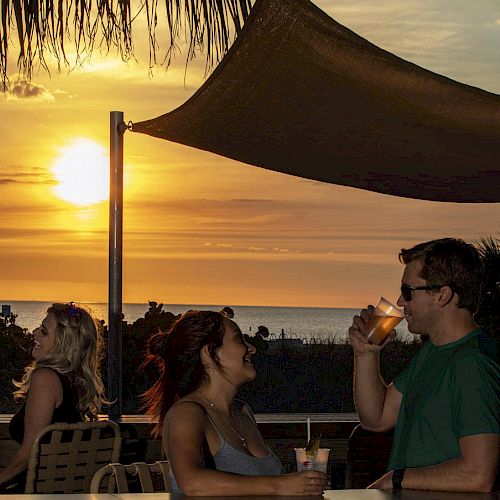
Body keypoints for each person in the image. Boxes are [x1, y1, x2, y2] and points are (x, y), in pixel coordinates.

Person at [348, 238, 499, 493]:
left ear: (442, 295)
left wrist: (396, 479)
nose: (400, 300)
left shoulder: (472, 364)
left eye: (408, 291)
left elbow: (478, 475)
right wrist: (366, 355)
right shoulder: (432, 353)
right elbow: (377, 418)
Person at [142, 310, 328, 496]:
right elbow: (192, 483)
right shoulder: (187, 413)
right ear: (208, 353)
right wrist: (279, 485)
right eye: (239, 339)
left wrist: (303, 485)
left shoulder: (242, 411)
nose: (252, 348)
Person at [0, 302, 106, 492]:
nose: (35, 333)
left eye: (44, 331)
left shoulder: (45, 379)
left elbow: (28, 454)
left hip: (35, 490)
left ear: (63, 343)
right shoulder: (75, 382)